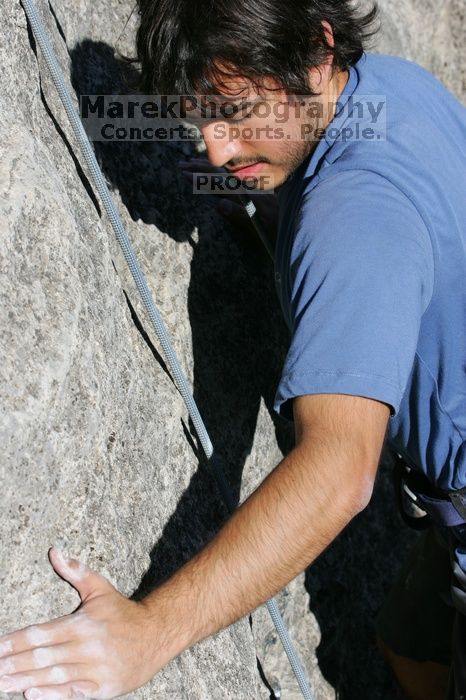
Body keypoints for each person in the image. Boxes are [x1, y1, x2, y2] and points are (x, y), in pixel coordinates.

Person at [1, 1, 465, 698]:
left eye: (239, 112)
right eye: (199, 118)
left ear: (316, 50)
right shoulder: (391, 90)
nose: (216, 151)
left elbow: (338, 471)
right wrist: (282, 215)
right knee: (407, 644)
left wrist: (146, 632)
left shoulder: (352, 217)